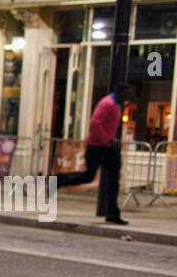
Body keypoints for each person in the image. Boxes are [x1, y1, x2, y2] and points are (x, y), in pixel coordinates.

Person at [56, 86, 131, 224]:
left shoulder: (117, 105)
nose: (128, 99)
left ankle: (112, 213)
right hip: (97, 147)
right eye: (127, 95)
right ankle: (59, 180)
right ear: (121, 92)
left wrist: (111, 141)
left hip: (109, 148)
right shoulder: (107, 103)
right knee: (88, 176)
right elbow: (95, 123)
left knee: (113, 181)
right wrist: (108, 139)